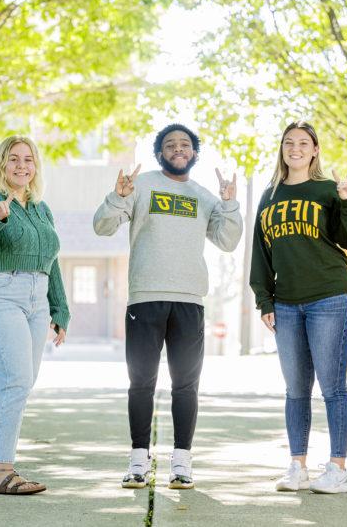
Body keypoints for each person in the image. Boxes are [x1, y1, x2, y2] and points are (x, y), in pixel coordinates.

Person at [93, 123, 243, 489]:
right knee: (141, 382)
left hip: (189, 301)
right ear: (160, 153)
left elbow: (227, 241)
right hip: (145, 298)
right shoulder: (140, 186)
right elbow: (102, 226)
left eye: (185, 145)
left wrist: (229, 204)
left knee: (186, 385)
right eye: (171, 145)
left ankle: (182, 463)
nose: (179, 149)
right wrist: (117, 197)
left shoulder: (205, 196)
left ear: (194, 153)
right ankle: (138, 461)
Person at [250, 121, 347, 494]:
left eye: (303, 143)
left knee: (332, 388)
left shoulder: (329, 190)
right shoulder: (269, 196)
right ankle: (297, 467)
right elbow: (260, 256)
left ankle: (338, 469)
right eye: (288, 142)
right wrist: (264, 299)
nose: (295, 148)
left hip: (330, 298)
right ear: (282, 149)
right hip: (286, 305)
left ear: (314, 150)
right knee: (296, 390)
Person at [0, 135, 69, 495]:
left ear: (36, 167)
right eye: (14, 159)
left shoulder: (40, 208)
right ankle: (1, 471)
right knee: (15, 379)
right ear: (1, 164)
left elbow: (51, 261)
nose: (22, 165)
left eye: (29, 159)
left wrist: (59, 309)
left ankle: (4, 467)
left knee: (23, 380)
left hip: (35, 299)